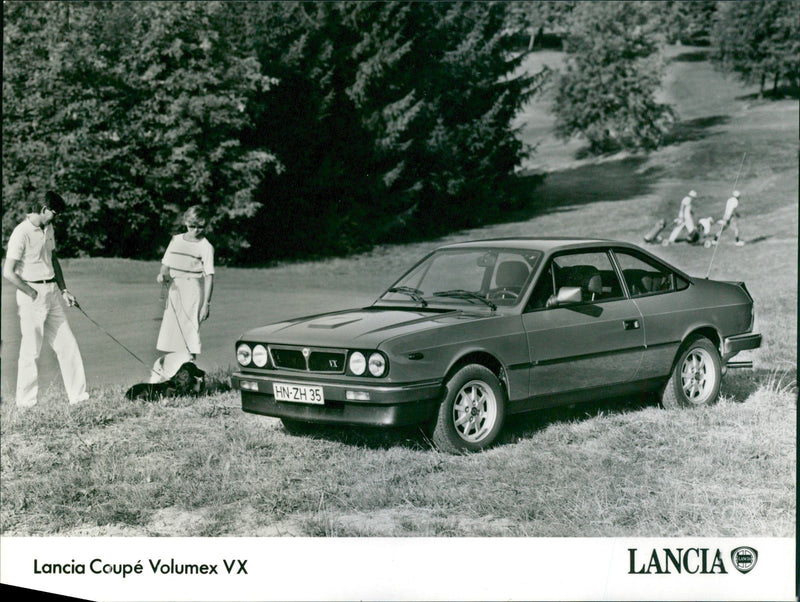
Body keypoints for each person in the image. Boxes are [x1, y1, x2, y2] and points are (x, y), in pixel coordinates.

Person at [3, 191, 89, 407]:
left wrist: (64, 290)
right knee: (31, 350)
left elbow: (53, 259)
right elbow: (8, 272)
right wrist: (31, 292)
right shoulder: (21, 233)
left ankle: (79, 398)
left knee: (68, 344)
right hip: (31, 295)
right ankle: (26, 403)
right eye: (54, 212)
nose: (56, 217)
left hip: (52, 293)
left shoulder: (48, 228)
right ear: (43, 209)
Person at [155, 206, 214, 366]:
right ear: (186, 222)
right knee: (172, 330)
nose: (195, 230)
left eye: (200, 227)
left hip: (192, 290)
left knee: (189, 330)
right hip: (174, 288)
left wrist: (206, 305)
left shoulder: (206, 246)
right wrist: (162, 274)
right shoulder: (176, 240)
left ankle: (188, 370)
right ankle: (172, 370)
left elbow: (209, 276)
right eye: (192, 226)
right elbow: (165, 265)